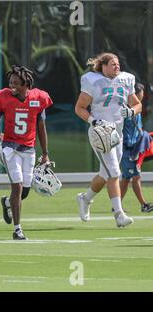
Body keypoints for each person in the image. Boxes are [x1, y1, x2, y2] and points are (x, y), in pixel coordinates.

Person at [75, 52, 142, 227]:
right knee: (114, 172)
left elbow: (137, 104)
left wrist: (131, 111)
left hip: (117, 135)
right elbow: (80, 107)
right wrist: (93, 121)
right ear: (102, 66)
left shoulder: (125, 80)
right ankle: (119, 215)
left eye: (118, 63)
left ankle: (85, 198)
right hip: (100, 133)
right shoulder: (93, 81)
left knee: (106, 174)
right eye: (113, 64)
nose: (117, 66)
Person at [0, 65, 52, 240]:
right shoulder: (4, 97)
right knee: (16, 186)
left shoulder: (39, 98)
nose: (12, 86)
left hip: (28, 148)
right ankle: (18, 229)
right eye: (10, 82)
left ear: (26, 84)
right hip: (9, 147)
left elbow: (41, 127)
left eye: (16, 83)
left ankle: (8, 202)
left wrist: (45, 153)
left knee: (24, 190)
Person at [120, 82, 153, 213]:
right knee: (135, 177)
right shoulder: (124, 110)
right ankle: (144, 205)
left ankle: (116, 205)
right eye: (141, 93)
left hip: (134, 148)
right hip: (126, 149)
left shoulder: (137, 109)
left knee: (126, 179)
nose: (142, 96)